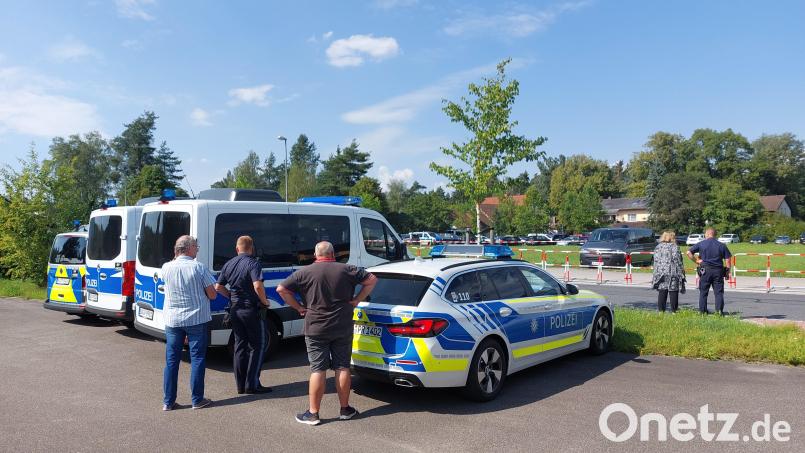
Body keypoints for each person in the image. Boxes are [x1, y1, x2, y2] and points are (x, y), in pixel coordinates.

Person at [276, 241, 377, 426]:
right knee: (342, 367)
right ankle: (345, 409)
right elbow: (371, 279)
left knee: (318, 369)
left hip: (315, 327)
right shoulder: (347, 269)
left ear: (316, 255)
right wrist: (356, 300)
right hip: (342, 326)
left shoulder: (303, 272)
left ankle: (313, 413)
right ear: (333, 254)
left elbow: (281, 289)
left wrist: (299, 307)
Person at [160, 235, 217, 411]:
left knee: (171, 361)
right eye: (196, 247)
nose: (198, 250)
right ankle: (197, 400)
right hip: (196, 319)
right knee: (197, 358)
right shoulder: (199, 267)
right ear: (189, 248)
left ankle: (168, 402)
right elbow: (213, 294)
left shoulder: (166, 267)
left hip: (173, 320)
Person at [215, 236, 272, 395]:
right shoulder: (253, 263)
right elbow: (257, 285)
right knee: (257, 346)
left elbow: (218, 287)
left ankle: (240, 385)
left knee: (240, 346)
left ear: (237, 248)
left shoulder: (229, 263)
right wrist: (265, 301)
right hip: (251, 310)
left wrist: (231, 297)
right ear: (251, 248)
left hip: (235, 310)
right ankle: (252, 384)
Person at [687, 227, 732, 315]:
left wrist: (696, 261)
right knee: (718, 293)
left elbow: (688, 252)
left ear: (706, 234)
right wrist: (727, 272)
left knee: (703, 292)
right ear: (715, 235)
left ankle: (702, 312)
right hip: (718, 271)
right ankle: (719, 312)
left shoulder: (701, 244)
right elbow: (728, 260)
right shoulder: (722, 245)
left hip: (705, 271)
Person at [651, 231, 685, 313]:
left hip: (660, 272)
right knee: (673, 291)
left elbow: (655, 260)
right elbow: (678, 260)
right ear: (672, 237)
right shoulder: (674, 246)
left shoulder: (658, 247)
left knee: (662, 291)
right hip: (672, 272)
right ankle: (674, 311)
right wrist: (682, 272)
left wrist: (655, 273)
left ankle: (661, 311)